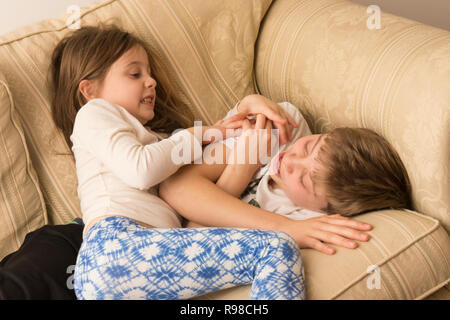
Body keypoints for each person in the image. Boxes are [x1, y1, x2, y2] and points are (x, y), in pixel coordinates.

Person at [50, 25, 309, 300]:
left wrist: (244, 110)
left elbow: (200, 197)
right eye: (135, 74)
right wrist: (194, 134)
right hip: (116, 246)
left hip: (146, 263)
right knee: (276, 248)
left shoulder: (160, 142)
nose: (151, 82)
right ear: (89, 90)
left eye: (150, 74)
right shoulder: (94, 114)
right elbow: (141, 170)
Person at [160, 96, 411, 255]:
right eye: (309, 147)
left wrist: (240, 167)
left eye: (304, 180)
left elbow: (190, 237)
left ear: (325, 212)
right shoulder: (283, 131)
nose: (291, 161)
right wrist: (244, 164)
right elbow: (174, 186)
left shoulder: (302, 216)